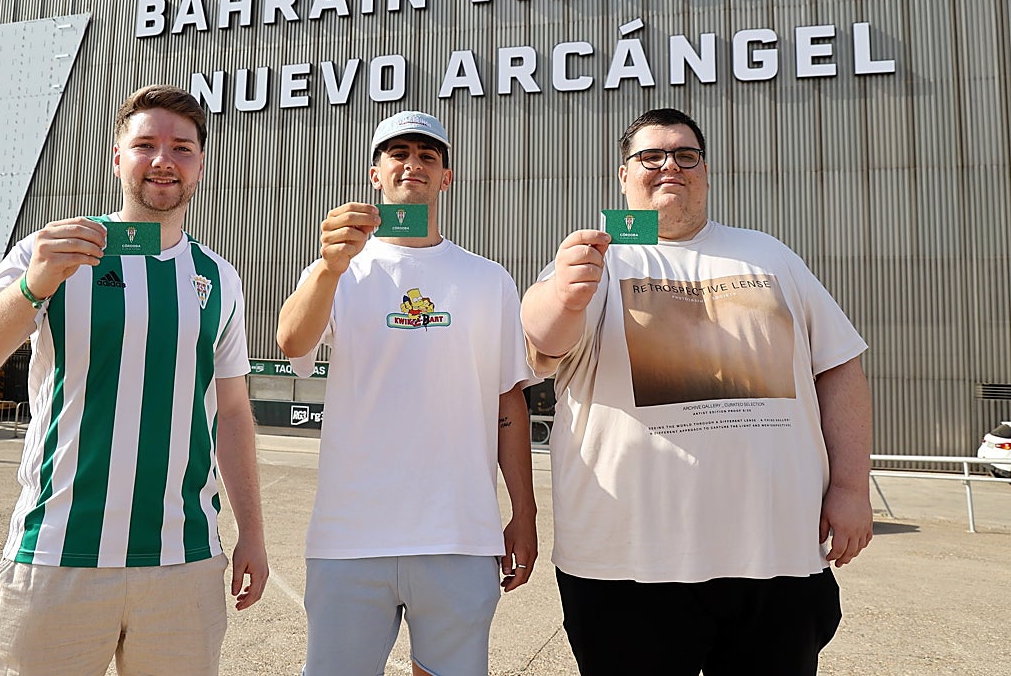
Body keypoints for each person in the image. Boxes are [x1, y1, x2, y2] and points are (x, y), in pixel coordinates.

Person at [520, 107, 873, 676]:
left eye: (686, 155)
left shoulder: (770, 255)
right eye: (651, 156)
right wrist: (565, 289)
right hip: (626, 562)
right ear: (623, 175)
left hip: (774, 555)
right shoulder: (598, 261)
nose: (670, 166)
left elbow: (839, 368)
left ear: (705, 172)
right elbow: (540, 339)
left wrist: (853, 489)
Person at [0, 84, 268, 676]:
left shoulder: (217, 279)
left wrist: (252, 533)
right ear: (117, 157)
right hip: (56, 556)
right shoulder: (52, 250)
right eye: (145, 144)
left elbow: (234, 415)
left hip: (184, 561)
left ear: (200, 165)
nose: (163, 159)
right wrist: (32, 285)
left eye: (182, 147)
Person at [276, 110, 538, 676]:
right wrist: (328, 266)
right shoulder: (338, 269)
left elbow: (507, 402)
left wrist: (524, 513)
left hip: (458, 534)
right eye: (398, 153)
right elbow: (291, 341)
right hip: (350, 536)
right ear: (375, 173)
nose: (412, 164)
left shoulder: (488, 278)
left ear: (446, 177)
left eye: (427, 155)